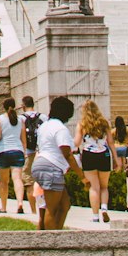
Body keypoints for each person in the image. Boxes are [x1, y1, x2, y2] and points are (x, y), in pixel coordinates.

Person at [31, 96, 83, 231]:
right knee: (51, 209)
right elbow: (67, 155)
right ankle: (50, 243)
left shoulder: (44, 126)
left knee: (64, 205)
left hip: (40, 164)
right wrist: (82, 177)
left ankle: (56, 235)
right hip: (51, 167)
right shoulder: (60, 129)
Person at [75, 101, 116, 225]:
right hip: (103, 154)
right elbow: (110, 142)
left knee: (94, 187)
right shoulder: (104, 123)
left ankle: (95, 216)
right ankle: (104, 207)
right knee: (104, 186)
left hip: (89, 154)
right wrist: (117, 159)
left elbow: (76, 143)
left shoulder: (82, 124)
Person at [0, 100, 27, 215]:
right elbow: (23, 139)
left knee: (4, 182)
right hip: (17, 150)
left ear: (4, 107)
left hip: (3, 151)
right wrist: (24, 151)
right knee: (17, 178)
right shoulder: (21, 119)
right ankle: (20, 203)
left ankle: (4, 206)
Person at [20, 95, 43, 194]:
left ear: (23, 105)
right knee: (40, 179)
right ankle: (41, 205)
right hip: (41, 152)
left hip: (27, 151)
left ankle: (33, 208)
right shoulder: (43, 117)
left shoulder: (21, 118)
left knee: (28, 180)